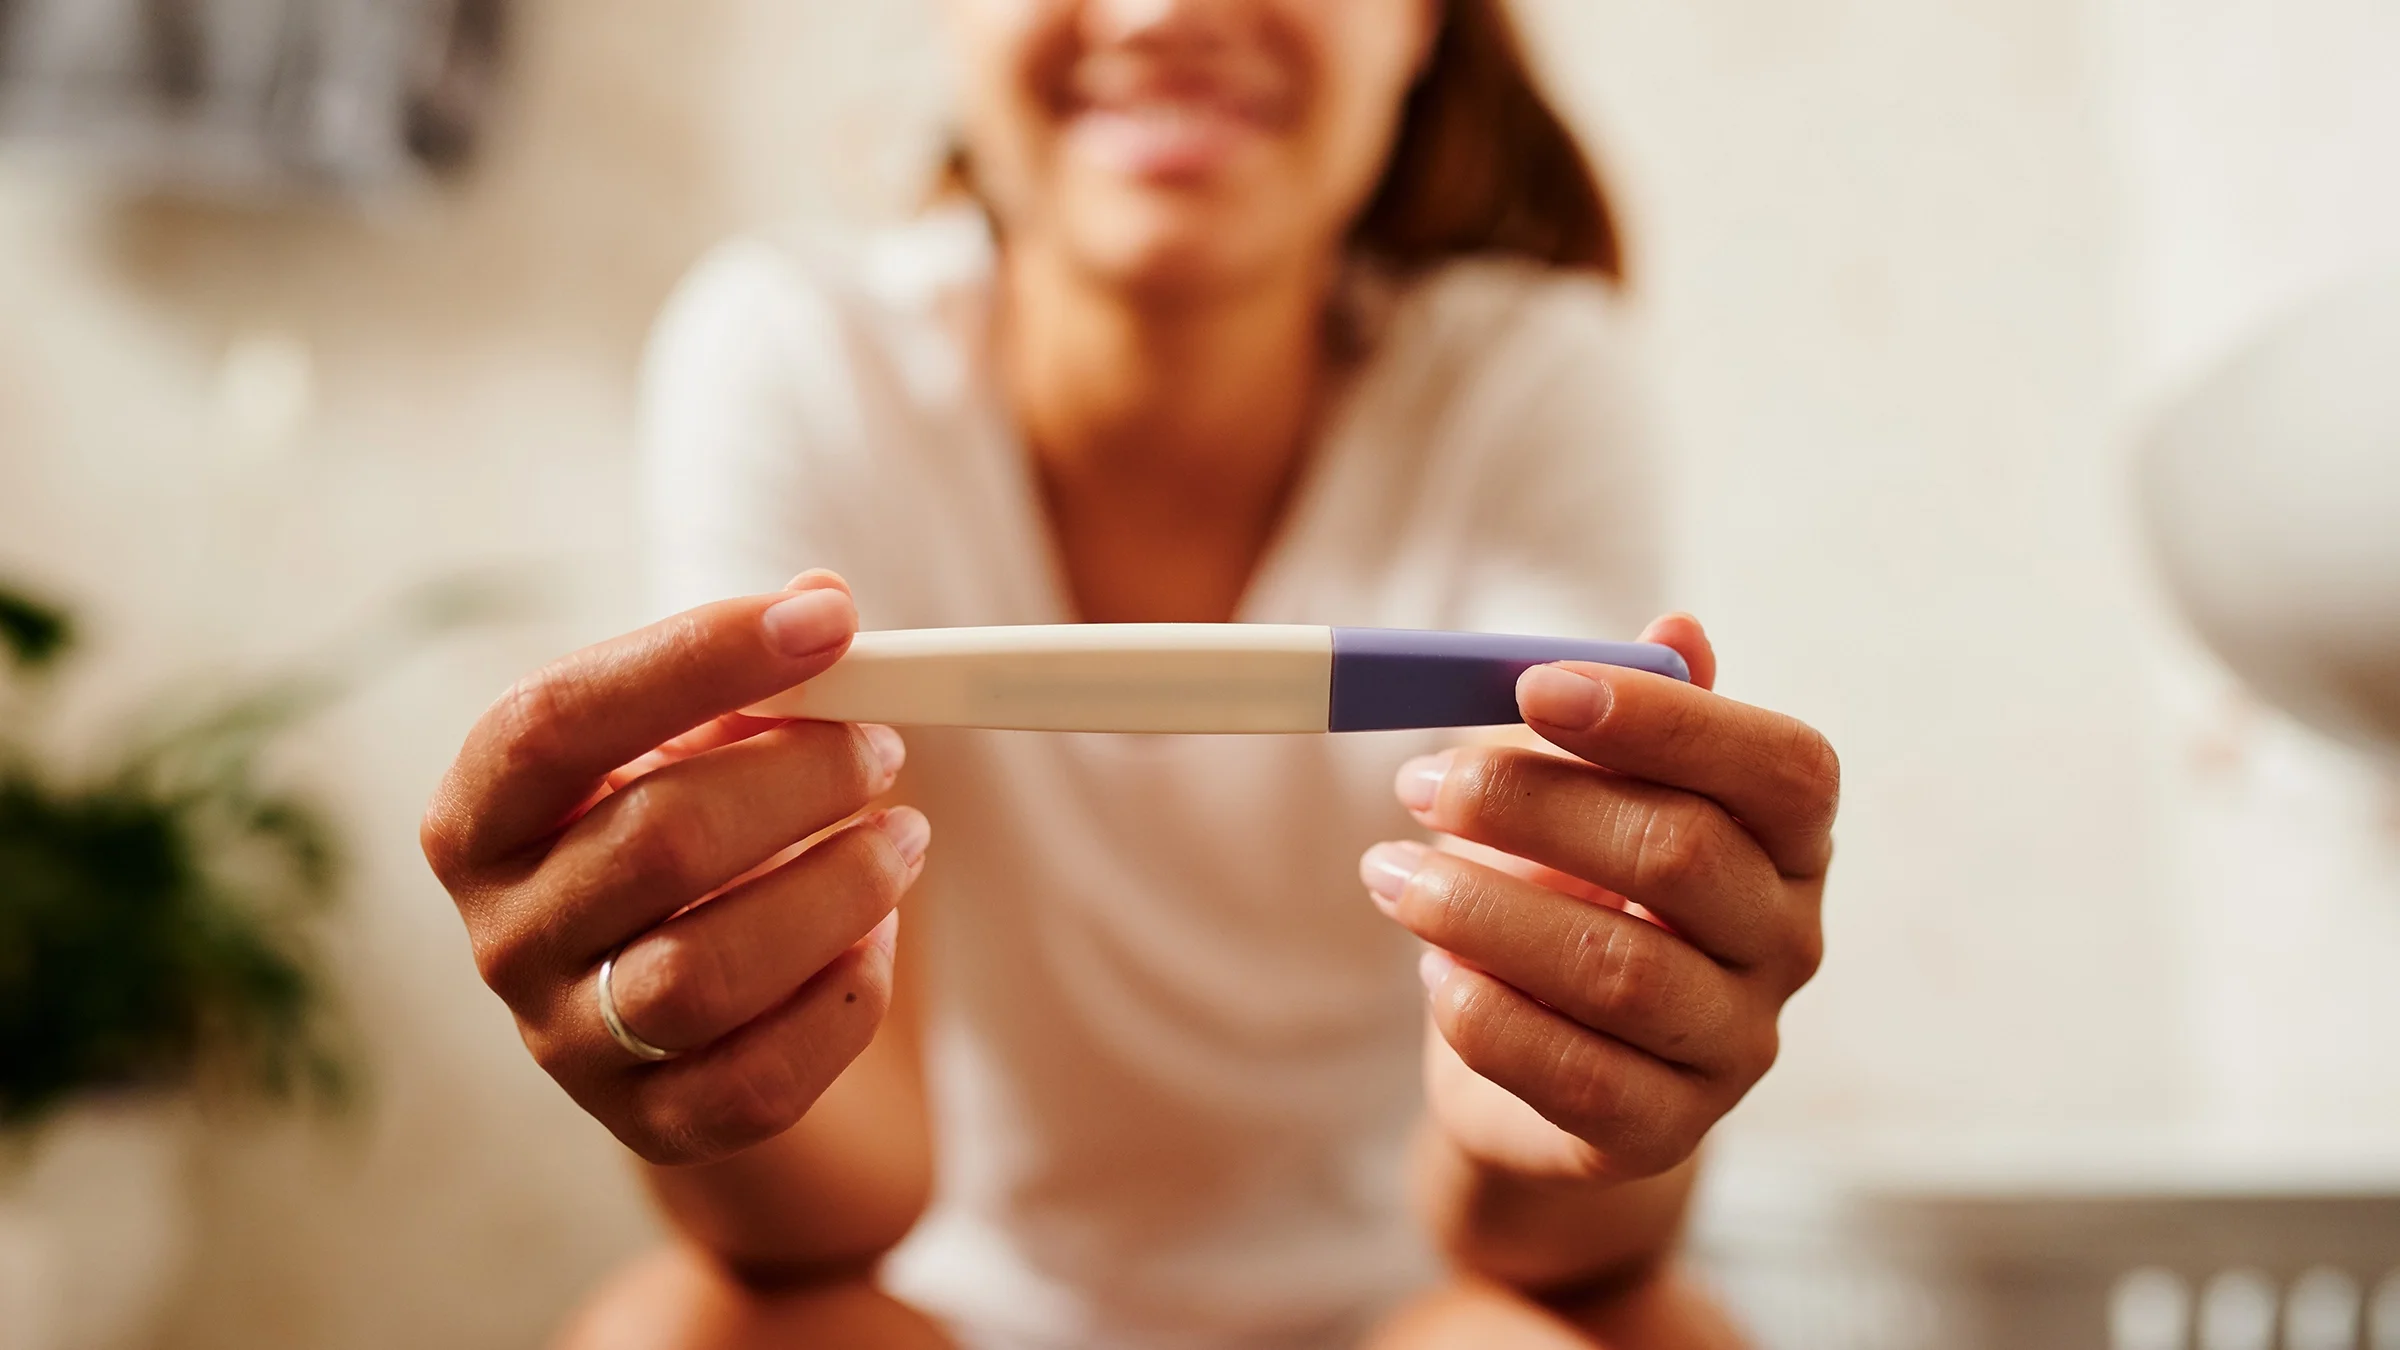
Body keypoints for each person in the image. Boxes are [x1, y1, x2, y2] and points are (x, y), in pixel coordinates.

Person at [419, 1, 1838, 1346]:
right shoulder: (801, 358)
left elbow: (1535, 1228)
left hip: (1412, 1305)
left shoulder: (1528, 381)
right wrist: (673, 1029)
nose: (1165, 9)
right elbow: (819, 1218)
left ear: (1421, 15)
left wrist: (1604, 1084)